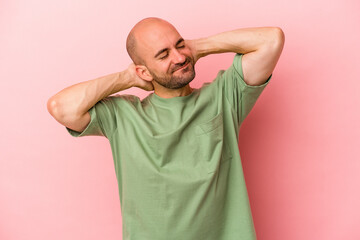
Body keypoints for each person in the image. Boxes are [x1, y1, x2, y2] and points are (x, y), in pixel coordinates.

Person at [47, 17, 284, 240]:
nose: (180, 58)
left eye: (179, 45)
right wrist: (126, 77)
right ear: (143, 71)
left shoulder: (224, 96)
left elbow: (271, 39)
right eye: (163, 55)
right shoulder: (123, 115)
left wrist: (199, 46)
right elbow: (61, 107)